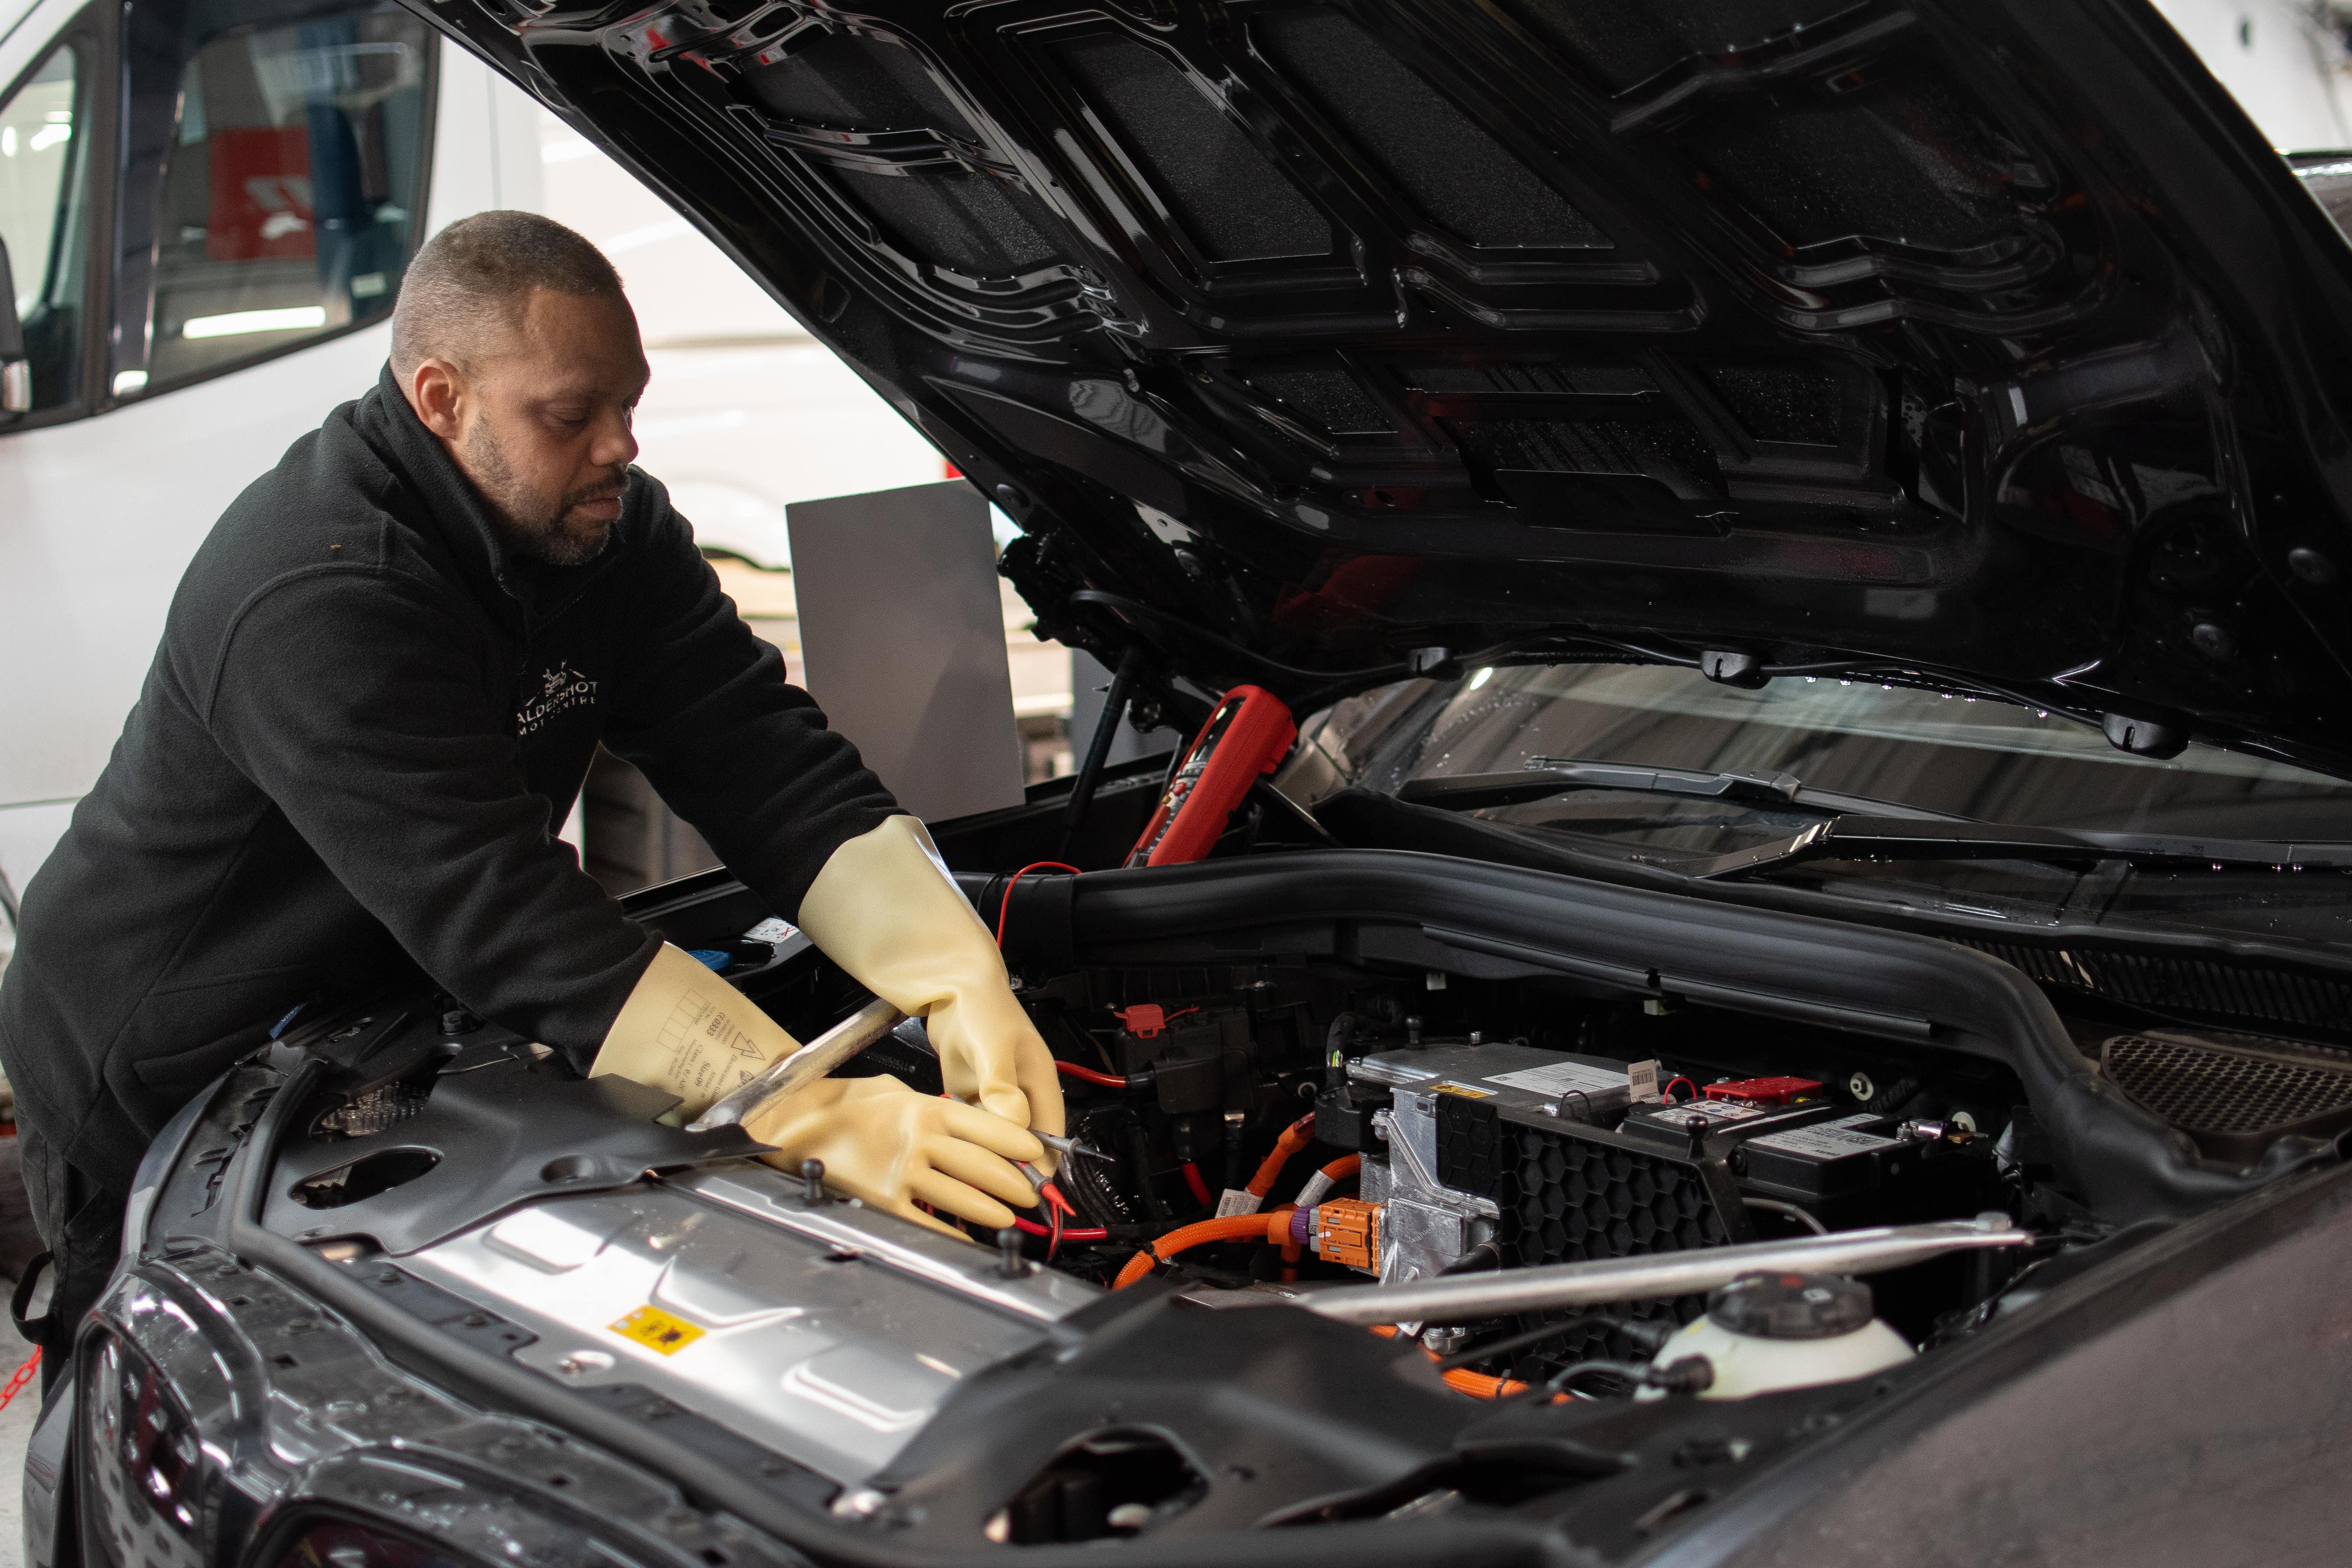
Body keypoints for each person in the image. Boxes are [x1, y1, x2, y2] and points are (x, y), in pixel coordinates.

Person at [0, 212, 1062, 1383]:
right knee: (188, 1406)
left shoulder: (604, 532)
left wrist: (954, 968)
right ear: (441, 397)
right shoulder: (318, 589)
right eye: (570, 415)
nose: (619, 447)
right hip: (162, 1068)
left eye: (629, 403)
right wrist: (809, 1110)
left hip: (376, 1025)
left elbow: (758, 751)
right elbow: (501, 914)